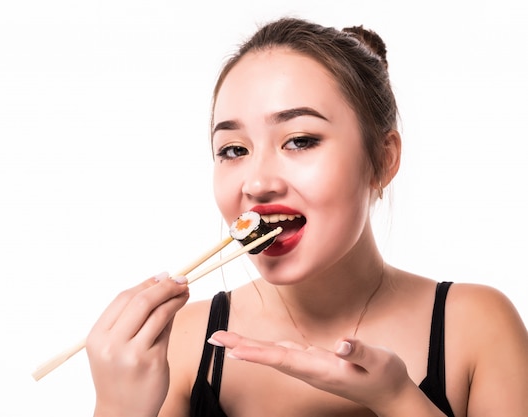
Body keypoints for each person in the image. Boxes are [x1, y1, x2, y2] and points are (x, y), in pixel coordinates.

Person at [85, 17, 528, 417]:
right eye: (233, 150)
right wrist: (118, 409)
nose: (256, 183)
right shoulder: (180, 341)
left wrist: (397, 399)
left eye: (298, 140)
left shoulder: (477, 326)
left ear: (383, 159)